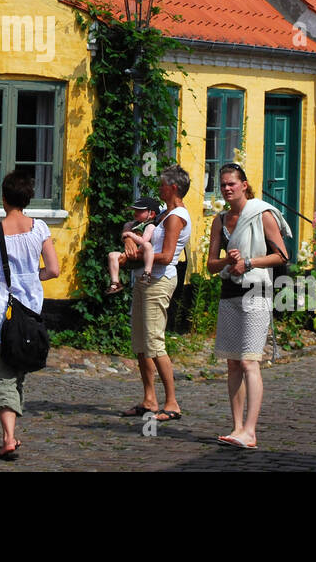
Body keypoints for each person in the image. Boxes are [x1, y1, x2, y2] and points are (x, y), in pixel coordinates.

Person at [0, 171, 60, 460]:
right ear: (27, 198)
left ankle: (7, 438)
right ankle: (11, 434)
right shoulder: (39, 229)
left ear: (3, 199)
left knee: (0, 372)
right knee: (17, 368)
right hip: (29, 313)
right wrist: (33, 277)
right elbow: (54, 270)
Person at [207, 163, 290, 450]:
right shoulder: (219, 220)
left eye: (232, 183)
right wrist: (228, 262)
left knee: (248, 360)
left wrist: (249, 262)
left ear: (244, 185)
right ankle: (237, 427)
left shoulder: (261, 214)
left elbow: (282, 255)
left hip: (257, 292)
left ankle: (251, 431)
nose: (227, 188)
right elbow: (210, 265)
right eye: (223, 185)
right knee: (232, 362)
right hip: (229, 292)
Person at [120, 165, 191, 423]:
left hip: (159, 282)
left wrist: (135, 255)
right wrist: (129, 238)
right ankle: (150, 399)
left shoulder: (176, 217)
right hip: (144, 280)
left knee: (154, 342)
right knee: (140, 343)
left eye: (162, 184)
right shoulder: (164, 213)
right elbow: (136, 225)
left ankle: (172, 402)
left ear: (172, 188)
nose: (159, 188)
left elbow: (168, 255)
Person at [105, 196, 160, 294]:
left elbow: (143, 241)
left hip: (141, 255)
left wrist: (130, 235)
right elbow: (125, 231)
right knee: (112, 255)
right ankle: (115, 282)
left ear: (151, 214)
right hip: (130, 255)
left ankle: (147, 273)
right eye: (135, 210)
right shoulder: (133, 224)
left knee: (147, 245)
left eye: (139, 211)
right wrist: (126, 234)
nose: (135, 213)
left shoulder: (150, 226)